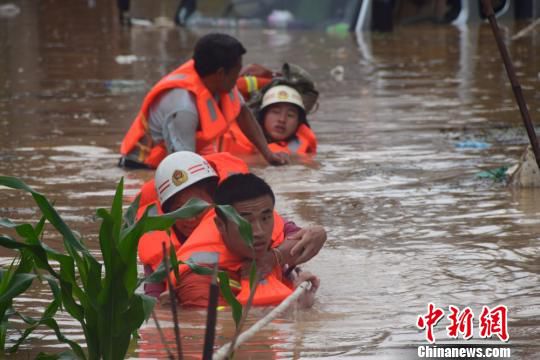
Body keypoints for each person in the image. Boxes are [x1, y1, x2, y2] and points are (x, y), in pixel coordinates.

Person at [137, 151, 326, 297]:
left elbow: (306, 238)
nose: (190, 218)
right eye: (180, 209)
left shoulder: (244, 217)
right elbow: (152, 300)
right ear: (168, 213)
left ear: (214, 200)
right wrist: (168, 308)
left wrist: (273, 258)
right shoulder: (160, 248)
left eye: (197, 207)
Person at [119, 33, 288, 169]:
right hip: (142, 168)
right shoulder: (184, 107)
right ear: (221, 73)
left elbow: (243, 113)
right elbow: (181, 166)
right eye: (237, 71)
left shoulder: (219, 81)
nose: (239, 76)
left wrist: (267, 154)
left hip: (182, 154)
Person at [174, 173, 320, 307]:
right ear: (220, 225)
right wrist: (299, 307)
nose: (259, 232)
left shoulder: (269, 221)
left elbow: (310, 237)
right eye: (245, 222)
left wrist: (274, 258)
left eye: (265, 218)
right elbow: (216, 329)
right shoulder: (197, 278)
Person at [220, 84, 317, 156]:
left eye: (290, 115)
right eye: (275, 112)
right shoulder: (237, 132)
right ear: (263, 116)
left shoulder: (303, 148)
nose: (282, 119)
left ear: (298, 123)